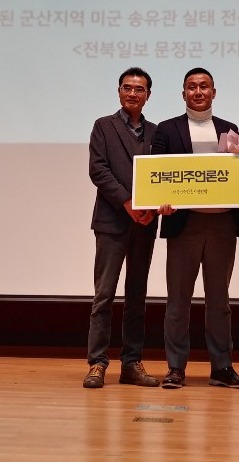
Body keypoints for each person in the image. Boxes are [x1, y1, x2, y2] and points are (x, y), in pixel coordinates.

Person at [153, 68, 239, 389]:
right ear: (183, 93)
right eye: (192, 87)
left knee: (219, 300)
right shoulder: (167, 129)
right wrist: (160, 200)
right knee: (178, 300)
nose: (198, 91)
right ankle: (176, 367)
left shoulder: (230, 129)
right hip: (185, 223)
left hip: (223, 223)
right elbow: (157, 174)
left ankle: (222, 367)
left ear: (213, 92)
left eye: (204, 86)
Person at [83, 67, 161, 389]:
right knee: (104, 295)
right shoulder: (103, 126)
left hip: (145, 223)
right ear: (118, 91)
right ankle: (97, 363)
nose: (132, 93)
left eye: (139, 89)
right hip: (112, 221)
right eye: (127, 87)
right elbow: (98, 170)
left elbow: (162, 174)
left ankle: (131, 363)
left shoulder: (157, 132)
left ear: (148, 95)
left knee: (137, 295)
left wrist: (152, 207)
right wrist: (128, 202)